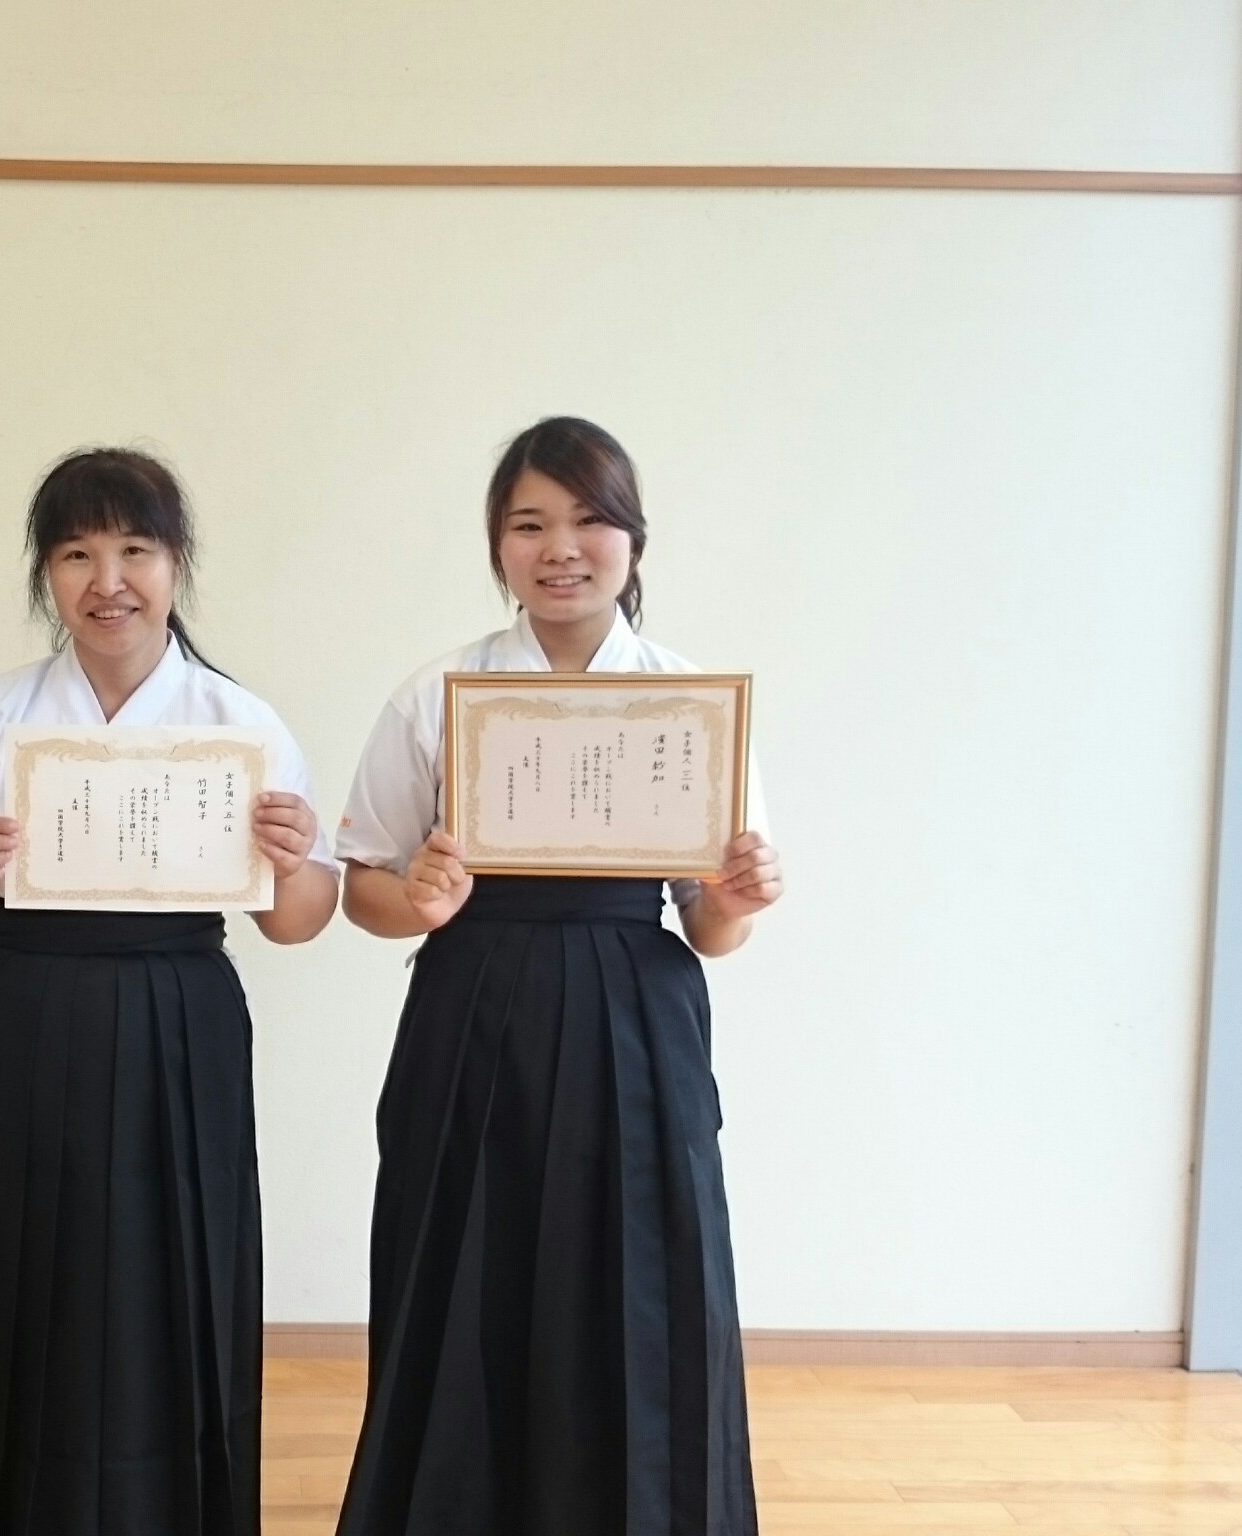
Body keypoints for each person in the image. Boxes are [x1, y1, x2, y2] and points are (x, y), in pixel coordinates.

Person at [333, 418, 783, 1536]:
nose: (561, 548)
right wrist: (419, 897)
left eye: (588, 521)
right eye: (529, 525)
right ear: (498, 544)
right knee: (463, 1268)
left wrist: (734, 896)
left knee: (645, 1277)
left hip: (639, 1011)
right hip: (474, 1004)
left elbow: (712, 932)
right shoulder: (439, 692)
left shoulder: (688, 700)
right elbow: (361, 890)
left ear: (633, 538)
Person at [0, 448, 338, 1536]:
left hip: (183, 1019)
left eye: (136, 549)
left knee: (174, 1275)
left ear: (177, 563)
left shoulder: (237, 719)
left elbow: (300, 917)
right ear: (47, 574)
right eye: (77, 554)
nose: (108, 580)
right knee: (14, 1272)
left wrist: (294, 856)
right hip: (27, 1011)